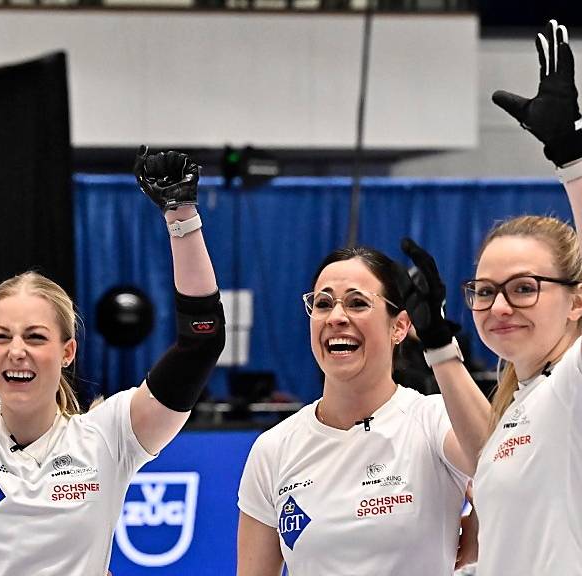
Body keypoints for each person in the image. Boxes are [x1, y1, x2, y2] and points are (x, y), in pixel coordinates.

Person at [0, 133, 224, 574]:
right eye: (2, 337)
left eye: (36, 337)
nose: (17, 352)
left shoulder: (110, 437)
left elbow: (200, 345)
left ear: (68, 351)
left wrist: (181, 217)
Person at [236, 243, 490, 576]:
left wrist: (438, 344)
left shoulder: (432, 419)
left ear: (399, 326)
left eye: (357, 303)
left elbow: (500, 463)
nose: (336, 317)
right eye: (323, 304)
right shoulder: (274, 449)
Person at [472, 19, 582, 574]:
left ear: (576, 301)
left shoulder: (573, 385)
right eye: (486, 291)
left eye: (523, 289)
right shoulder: (519, 402)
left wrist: (572, 158)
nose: (499, 307)